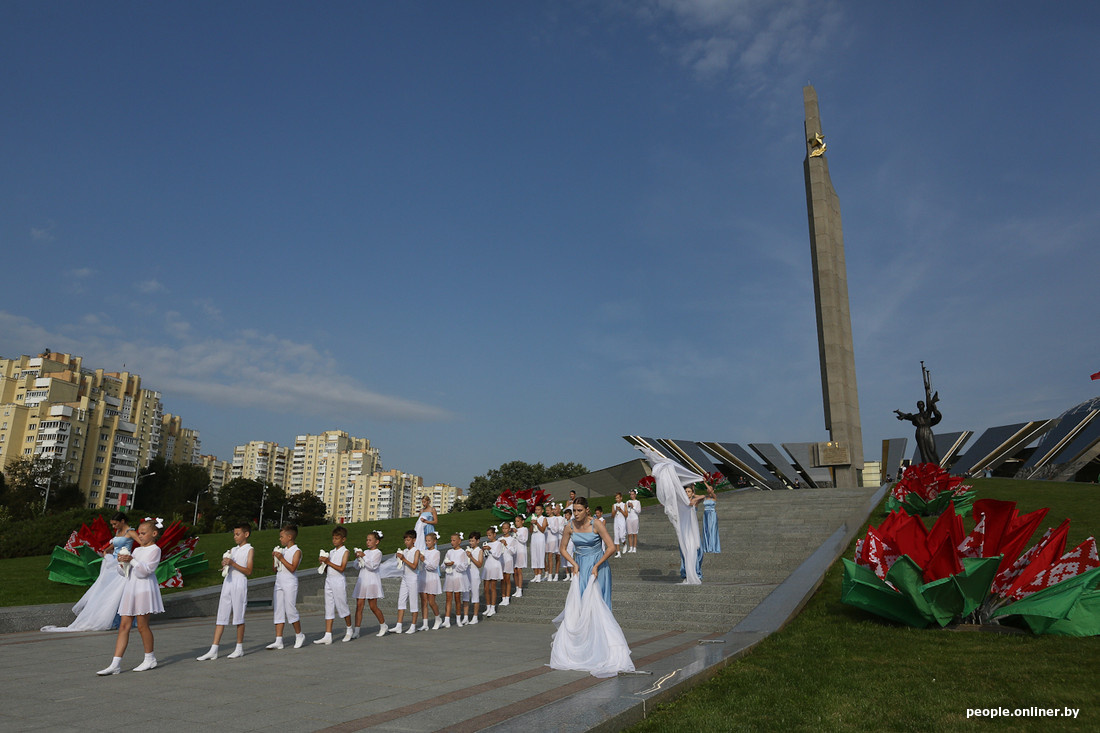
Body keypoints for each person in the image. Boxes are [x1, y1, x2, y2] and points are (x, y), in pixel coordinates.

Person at [550, 498, 633, 678]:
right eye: (574, 510)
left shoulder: (597, 524)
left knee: (600, 606)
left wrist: (597, 564)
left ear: (587, 510)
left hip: (598, 567)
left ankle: (607, 650)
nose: (576, 513)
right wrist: (573, 563)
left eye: (579, 510)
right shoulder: (569, 527)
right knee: (581, 606)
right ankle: (585, 650)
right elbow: (562, 548)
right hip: (580, 566)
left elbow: (610, 547)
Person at [45, 512, 138, 633]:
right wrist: (106, 552)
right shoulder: (118, 532)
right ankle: (112, 619)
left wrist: (133, 557)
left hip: (122, 564)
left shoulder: (130, 532)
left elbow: (142, 543)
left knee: (120, 593)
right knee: (107, 591)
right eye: (112, 524)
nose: (113, 527)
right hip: (112, 564)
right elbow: (113, 545)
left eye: (115, 524)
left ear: (123, 521)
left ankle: (121, 620)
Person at [96, 518, 164, 674]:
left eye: (143, 533)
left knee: (142, 626)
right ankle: (115, 664)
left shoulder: (155, 550)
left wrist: (131, 560)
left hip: (144, 589)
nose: (139, 536)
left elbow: (145, 571)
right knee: (124, 626)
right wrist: (122, 563)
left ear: (154, 533)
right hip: (131, 588)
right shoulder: (137, 550)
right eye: (139, 533)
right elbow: (125, 573)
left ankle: (150, 658)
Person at [636, 446, 705, 585]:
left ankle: (693, 573)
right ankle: (689, 573)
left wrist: (696, 485)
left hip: (688, 526)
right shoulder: (681, 499)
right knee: (687, 548)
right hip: (684, 525)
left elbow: (699, 497)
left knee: (691, 548)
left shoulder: (688, 501)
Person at [197, 522, 254, 660]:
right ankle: (214, 649)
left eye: (237, 534)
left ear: (246, 534)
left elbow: (249, 571)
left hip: (239, 582)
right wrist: (225, 564)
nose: (235, 537)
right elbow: (229, 565)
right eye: (234, 534)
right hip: (228, 582)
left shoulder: (249, 549)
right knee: (221, 614)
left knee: (238, 615)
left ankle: (239, 647)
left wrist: (233, 564)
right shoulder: (233, 550)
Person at [314, 526, 354, 644]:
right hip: (329, 580)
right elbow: (329, 569)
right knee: (329, 606)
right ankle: (328, 634)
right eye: (333, 538)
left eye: (337, 538)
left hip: (339, 581)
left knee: (342, 605)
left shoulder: (345, 552)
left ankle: (349, 629)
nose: (334, 540)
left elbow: (342, 568)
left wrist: (328, 562)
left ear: (343, 539)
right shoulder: (331, 552)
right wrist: (323, 564)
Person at [267, 524, 304, 650]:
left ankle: (299, 635)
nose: (280, 539)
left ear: (289, 537)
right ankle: (278, 640)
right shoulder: (282, 551)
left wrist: (281, 558)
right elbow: (275, 569)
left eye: (282, 537)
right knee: (278, 609)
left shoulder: (297, 551)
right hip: (279, 581)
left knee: (290, 608)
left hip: (290, 582)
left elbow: (293, 568)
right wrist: (275, 559)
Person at [353, 530, 387, 637]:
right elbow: (356, 566)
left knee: (373, 606)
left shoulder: (378, 553)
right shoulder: (365, 552)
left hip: (372, 581)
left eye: (370, 540)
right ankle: (356, 631)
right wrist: (358, 559)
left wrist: (363, 556)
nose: (367, 542)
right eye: (367, 540)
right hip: (362, 580)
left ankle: (383, 625)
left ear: (376, 542)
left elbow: (373, 566)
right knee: (359, 606)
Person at [393, 529, 422, 634]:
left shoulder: (416, 551)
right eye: (405, 540)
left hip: (413, 579)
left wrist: (403, 559)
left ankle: (413, 626)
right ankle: (399, 625)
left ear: (414, 540)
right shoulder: (404, 551)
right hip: (405, 578)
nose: (406, 542)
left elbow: (414, 566)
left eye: (408, 540)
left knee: (413, 602)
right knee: (401, 600)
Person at [442, 532, 469, 628]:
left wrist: (454, 564)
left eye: (454, 540)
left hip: (458, 577)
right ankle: (447, 619)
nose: (452, 542)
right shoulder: (449, 552)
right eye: (451, 540)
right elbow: (443, 563)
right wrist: (446, 564)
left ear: (459, 541)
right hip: (450, 577)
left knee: (457, 599)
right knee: (448, 598)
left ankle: (458, 619)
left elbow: (464, 566)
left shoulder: (462, 552)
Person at [419, 532, 442, 631]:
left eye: (429, 541)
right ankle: (425, 623)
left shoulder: (436, 553)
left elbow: (433, 566)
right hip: (423, 577)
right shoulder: (423, 551)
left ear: (434, 541)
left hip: (432, 578)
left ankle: (438, 618)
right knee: (423, 601)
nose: (427, 542)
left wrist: (424, 560)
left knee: (431, 601)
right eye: (426, 541)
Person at [461, 531, 484, 625]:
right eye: (470, 541)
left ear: (477, 541)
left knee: (475, 596)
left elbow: (479, 564)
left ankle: (475, 617)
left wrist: (471, 557)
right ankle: (465, 617)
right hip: (466, 575)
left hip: (474, 575)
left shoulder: (479, 551)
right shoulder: (467, 550)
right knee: (465, 596)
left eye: (473, 541)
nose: (471, 543)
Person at [481, 526, 504, 616]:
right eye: (487, 535)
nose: (489, 537)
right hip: (488, 566)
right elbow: (485, 557)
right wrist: (484, 551)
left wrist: (490, 549)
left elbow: (497, 555)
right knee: (486, 588)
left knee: (493, 587)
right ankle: (488, 607)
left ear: (494, 534)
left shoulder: (498, 544)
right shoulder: (487, 543)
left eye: (490, 535)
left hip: (495, 566)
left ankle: (493, 607)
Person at [529, 504, 547, 582]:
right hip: (534, 537)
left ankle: (539, 574)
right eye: (536, 510)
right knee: (534, 556)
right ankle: (535, 575)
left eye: (538, 509)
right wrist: (531, 524)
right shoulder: (533, 518)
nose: (537, 511)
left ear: (542, 510)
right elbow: (530, 531)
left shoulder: (544, 518)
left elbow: (543, 530)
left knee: (540, 555)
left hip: (540, 538)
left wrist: (537, 523)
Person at [545, 503, 563, 581]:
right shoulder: (546, 518)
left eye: (556, 509)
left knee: (556, 556)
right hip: (548, 538)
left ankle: (555, 574)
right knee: (547, 556)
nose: (547, 512)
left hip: (557, 538)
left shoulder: (559, 519)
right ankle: (548, 573)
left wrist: (549, 525)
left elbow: (558, 529)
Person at [701, 485, 721, 554]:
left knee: (712, 529)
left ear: (713, 490)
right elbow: (694, 495)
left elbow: (712, 493)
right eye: (707, 489)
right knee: (706, 530)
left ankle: (712, 547)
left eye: (710, 488)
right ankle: (707, 547)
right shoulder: (705, 497)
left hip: (712, 514)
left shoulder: (714, 497)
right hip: (705, 515)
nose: (708, 489)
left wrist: (705, 482)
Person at [498, 523, 515, 605]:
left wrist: (506, 544)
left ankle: (507, 597)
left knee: (507, 579)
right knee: (502, 580)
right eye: (503, 528)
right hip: (501, 560)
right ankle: (503, 597)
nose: (504, 530)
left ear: (509, 529)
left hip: (508, 560)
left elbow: (513, 551)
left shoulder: (512, 539)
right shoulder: (499, 539)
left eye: (506, 528)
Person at [512, 516, 528, 597]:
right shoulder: (515, 530)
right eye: (516, 521)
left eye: (518, 521)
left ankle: (520, 589)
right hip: (514, 552)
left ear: (522, 521)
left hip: (521, 551)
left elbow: (524, 539)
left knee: (519, 570)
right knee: (514, 571)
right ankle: (517, 587)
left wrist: (517, 533)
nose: (516, 523)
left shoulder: (524, 529)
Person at [612, 493, 628, 558]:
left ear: (621, 498)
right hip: (616, 521)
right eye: (616, 498)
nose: (617, 499)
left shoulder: (624, 505)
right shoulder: (614, 505)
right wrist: (615, 510)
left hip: (622, 521)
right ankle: (618, 553)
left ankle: (625, 544)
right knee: (616, 536)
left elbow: (626, 515)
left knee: (622, 535)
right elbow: (612, 516)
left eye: (618, 498)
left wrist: (621, 510)